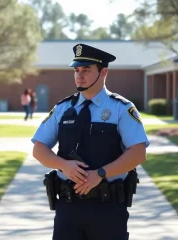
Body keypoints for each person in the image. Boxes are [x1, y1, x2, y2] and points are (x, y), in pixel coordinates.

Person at [32, 43, 149, 240]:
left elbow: (138, 153)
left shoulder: (121, 108)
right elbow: (39, 149)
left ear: (103, 72)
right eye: (77, 70)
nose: (79, 75)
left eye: (86, 70)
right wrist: (64, 166)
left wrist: (100, 174)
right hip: (67, 208)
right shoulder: (62, 108)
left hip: (107, 208)